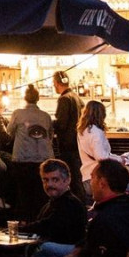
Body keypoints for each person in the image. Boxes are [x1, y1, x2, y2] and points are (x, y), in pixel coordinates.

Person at [7, 84, 53, 222]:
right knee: (41, 194)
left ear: (25, 98)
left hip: (23, 159)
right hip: (43, 159)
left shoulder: (17, 114)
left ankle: (25, 223)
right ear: (38, 99)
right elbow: (50, 135)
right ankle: (40, 221)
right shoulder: (45, 116)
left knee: (24, 194)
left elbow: (9, 131)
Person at [77, 99, 119, 199]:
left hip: (86, 177)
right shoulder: (96, 132)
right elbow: (101, 157)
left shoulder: (82, 131)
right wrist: (120, 159)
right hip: (100, 178)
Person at [52, 71, 85, 199]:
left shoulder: (64, 99)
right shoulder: (76, 97)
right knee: (77, 177)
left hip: (67, 144)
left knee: (70, 178)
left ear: (56, 83)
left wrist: (50, 125)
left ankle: (76, 206)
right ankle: (81, 204)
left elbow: (61, 123)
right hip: (77, 142)